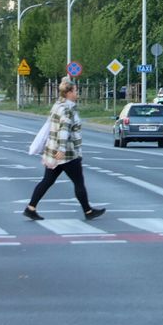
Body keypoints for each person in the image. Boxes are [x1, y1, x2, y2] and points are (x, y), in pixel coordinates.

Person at [24, 78, 105, 222]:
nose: (77, 93)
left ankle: (31, 208)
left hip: (53, 152)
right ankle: (88, 211)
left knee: (47, 181)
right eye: (75, 91)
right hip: (67, 153)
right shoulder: (67, 110)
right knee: (78, 182)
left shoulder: (57, 105)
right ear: (68, 93)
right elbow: (64, 130)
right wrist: (61, 149)